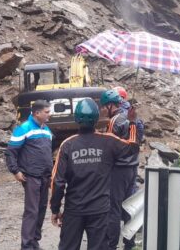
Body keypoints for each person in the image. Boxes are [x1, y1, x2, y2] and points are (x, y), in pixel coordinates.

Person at [50, 98, 139, 250]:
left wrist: (55, 209)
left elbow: (57, 182)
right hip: (100, 210)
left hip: (74, 210)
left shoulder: (67, 145)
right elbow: (132, 148)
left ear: (76, 118)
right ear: (97, 118)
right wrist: (131, 122)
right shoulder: (109, 141)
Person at [5, 100, 53, 250]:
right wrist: (15, 170)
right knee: (32, 211)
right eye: (47, 112)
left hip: (45, 177)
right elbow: (11, 152)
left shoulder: (46, 130)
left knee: (41, 209)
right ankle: (26, 246)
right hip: (31, 176)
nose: (49, 115)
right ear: (37, 113)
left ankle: (34, 242)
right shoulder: (24, 128)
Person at [102, 89, 144, 250]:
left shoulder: (115, 121)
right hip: (132, 168)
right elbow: (137, 141)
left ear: (111, 105)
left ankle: (111, 245)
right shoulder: (135, 118)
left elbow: (110, 146)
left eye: (105, 107)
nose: (104, 110)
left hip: (118, 170)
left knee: (113, 208)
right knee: (129, 206)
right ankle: (130, 243)